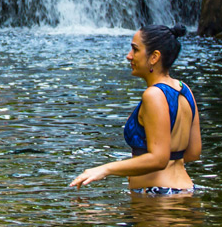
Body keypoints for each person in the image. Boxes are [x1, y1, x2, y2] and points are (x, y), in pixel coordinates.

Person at [69, 24, 201, 194]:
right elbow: (193, 152)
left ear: (154, 57)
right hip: (185, 191)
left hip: (158, 195)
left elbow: (159, 159)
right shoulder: (184, 89)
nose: (129, 56)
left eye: (135, 50)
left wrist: (104, 169)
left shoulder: (154, 95)